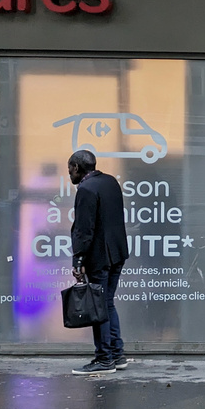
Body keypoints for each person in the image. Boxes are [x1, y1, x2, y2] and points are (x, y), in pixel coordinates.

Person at [67, 149, 129, 375]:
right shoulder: (110, 182)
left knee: (99, 306)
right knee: (107, 303)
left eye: (69, 169)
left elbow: (84, 229)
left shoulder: (86, 189)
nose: (69, 174)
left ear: (76, 167)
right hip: (117, 253)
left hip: (99, 256)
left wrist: (78, 260)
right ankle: (117, 354)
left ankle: (104, 359)